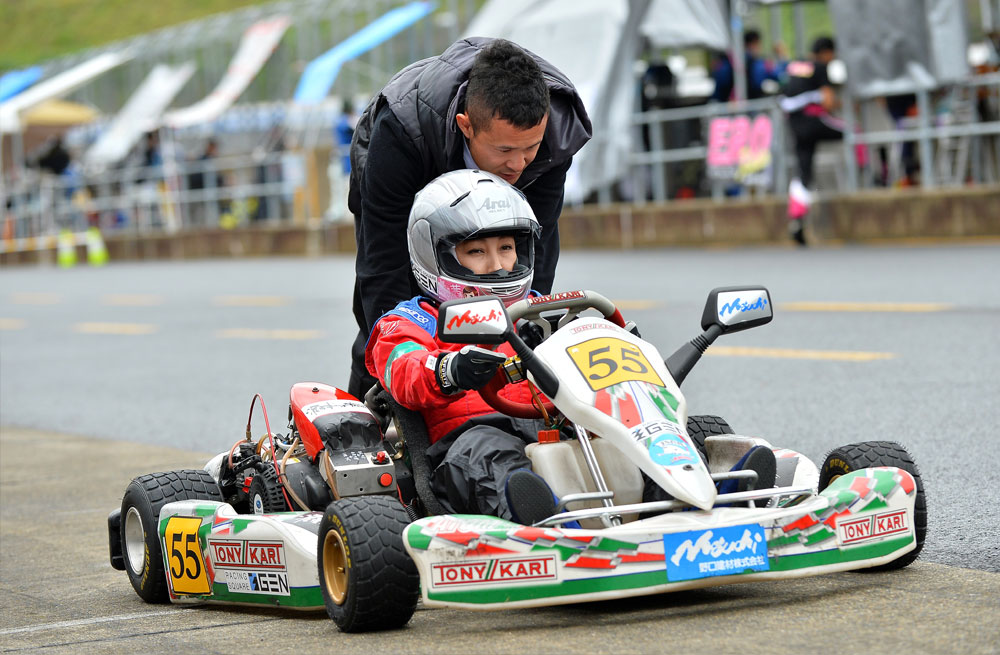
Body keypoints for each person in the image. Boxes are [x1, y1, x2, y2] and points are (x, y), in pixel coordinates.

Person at [347, 37, 592, 400]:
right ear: (466, 126)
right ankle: (368, 406)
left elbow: (537, 250)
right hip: (413, 172)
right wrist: (391, 359)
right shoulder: (401, 131)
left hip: (493, 188)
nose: (518, 164)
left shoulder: (556, 135)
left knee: (512, 291)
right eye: (505, 149)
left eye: (530, 148)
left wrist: (527, 333)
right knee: (395, 322)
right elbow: (383, 263)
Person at [365, 169, 550, 522]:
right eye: (477, 251)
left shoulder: (537, 313)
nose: (498, 266)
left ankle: (662, 500)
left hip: (549, 432)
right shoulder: (409, 322)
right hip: (463, 451)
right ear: (437, 256)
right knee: (488, 452)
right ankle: (543, 526)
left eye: (506, 248)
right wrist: (448, 370)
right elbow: (404, 369)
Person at [780, 36, 841, 246]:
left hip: (794, 126)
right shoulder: (820, 66)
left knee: (804, 170)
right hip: (814, 122)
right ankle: (872, 176)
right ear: (827, 52)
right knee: (854, 135)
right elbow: (828, 101)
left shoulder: (796, 65)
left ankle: (797, 218)